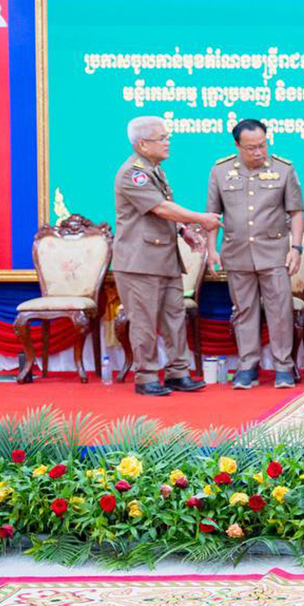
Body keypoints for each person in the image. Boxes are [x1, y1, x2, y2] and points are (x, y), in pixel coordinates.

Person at [111, 116, 220, 396]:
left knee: (175, 318)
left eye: (167, 137)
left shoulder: (155, 170)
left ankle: (177, 372)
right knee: (144, 322)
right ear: (142, 144)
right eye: (162, 138)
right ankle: (146, 376)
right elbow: (160, 208)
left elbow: (164, 210)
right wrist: (201, 218)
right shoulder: (133, 173)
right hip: (140, 261)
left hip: (165, 258)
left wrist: (184, 231)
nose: (168, 142)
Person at [205, 119, 304, 389]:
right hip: (237, 252)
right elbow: (212, 215)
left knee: (280, 310)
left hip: (273, 252)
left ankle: (283, 366)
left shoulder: (283, 169)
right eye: (251, 148)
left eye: (262, 145)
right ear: (237, 146)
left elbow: (296, 212)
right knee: (244, 310)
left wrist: (296, 248)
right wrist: (212, 250)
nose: (259, 152)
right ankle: (248, 366)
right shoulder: (220, 171)